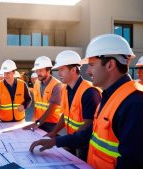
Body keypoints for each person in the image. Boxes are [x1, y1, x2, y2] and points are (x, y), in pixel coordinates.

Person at [29, 34, 143, 169]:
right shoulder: (110, 96)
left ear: (110, 65)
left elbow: (132, 162)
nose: (87, 71)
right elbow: (91, 132)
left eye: (92, 65)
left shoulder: (135, 104)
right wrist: (56, 141)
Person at [23, 56, 62, 132]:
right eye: (37, 71)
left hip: (51, 125)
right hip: (37, 121)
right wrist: (35, 122)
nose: (38, 73)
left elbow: (51, 109)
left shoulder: (57, 85)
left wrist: (37, 123)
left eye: (40, 70)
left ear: (48, 70)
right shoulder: (37, 82)